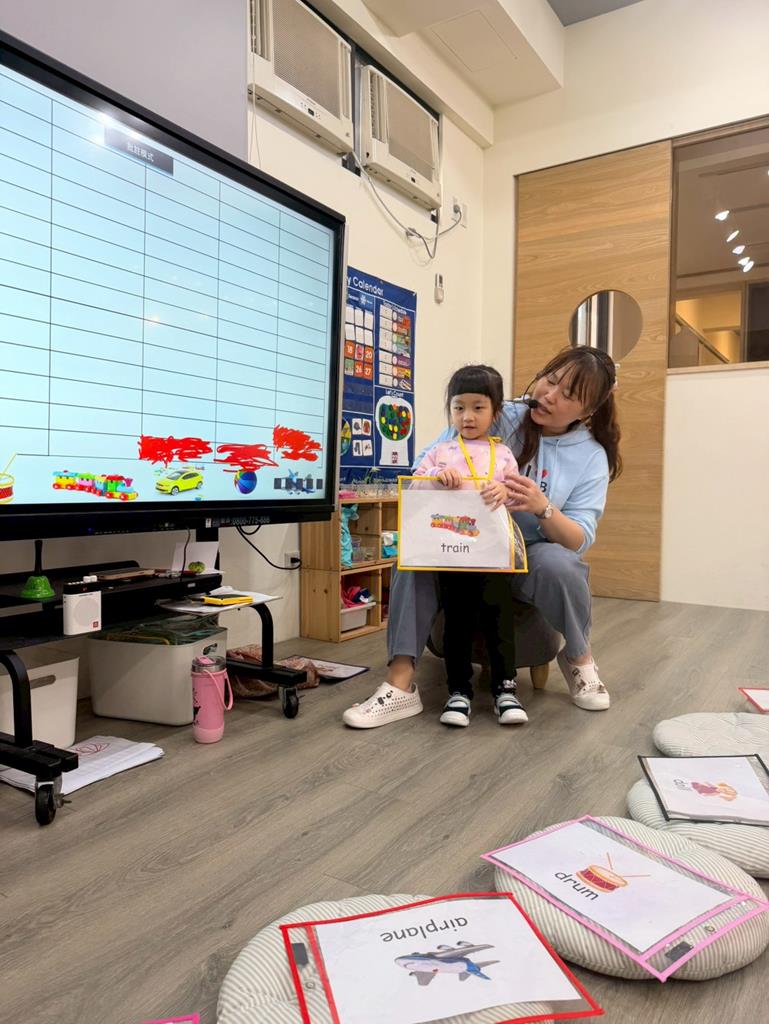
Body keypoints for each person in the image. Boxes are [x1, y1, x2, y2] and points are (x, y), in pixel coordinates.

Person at [342, 345, 622, 729]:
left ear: (587, 410)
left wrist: (542, 507)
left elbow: (578, 538)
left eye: (568, 394)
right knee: (413, 556)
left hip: (527, 553)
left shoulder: (590, 456)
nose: (549, 395)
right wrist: (442, 477)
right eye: (551, 380)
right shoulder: (496, 412)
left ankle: (579, 658)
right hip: (463, 543)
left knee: (563, 565)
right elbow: (426, 466)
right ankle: (400, 684)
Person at [411, 364, 527, 728]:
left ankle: (505, 689)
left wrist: (504, 490)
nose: (467, 416)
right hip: (452, 553)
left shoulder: (503, 454)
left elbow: (517, 496)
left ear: (495, 411)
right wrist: (435, 477)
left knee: (498, 619)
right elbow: (414, 487)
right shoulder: (441, 452)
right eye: (459, 407)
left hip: (494, 555)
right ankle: (458, 691)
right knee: (457, 621)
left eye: (478, 407)